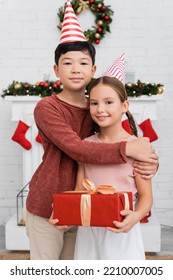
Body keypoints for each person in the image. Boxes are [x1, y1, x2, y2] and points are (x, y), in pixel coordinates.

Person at [26, 1, 158, 260]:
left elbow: (120, 142)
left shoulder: (97, 110)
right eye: (67, 63)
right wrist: (128, 149)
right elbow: (79, 148)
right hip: (47, 208)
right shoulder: (47, 107)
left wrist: (149, 161)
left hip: (85, 209)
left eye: (83, 63)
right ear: (56, 70)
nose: (76, 69)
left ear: (93, 70)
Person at [74, 75, 153, 260]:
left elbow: (146, 196)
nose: (100, 109)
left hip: (122, 230)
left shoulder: (137, 148)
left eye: (108, 102)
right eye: (94, 103)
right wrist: (64, 214)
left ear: (124, 106)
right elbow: (80, 189)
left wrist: (135, 216)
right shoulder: (85, 146)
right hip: (88, 231)